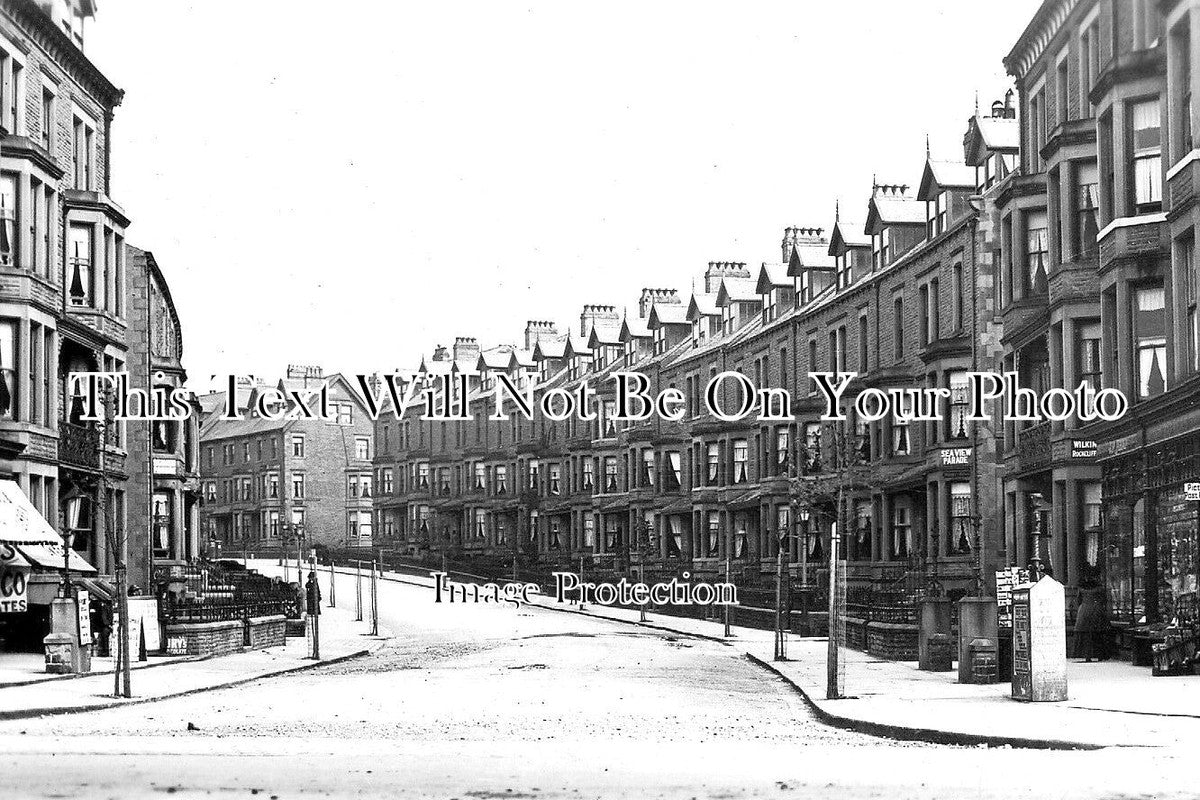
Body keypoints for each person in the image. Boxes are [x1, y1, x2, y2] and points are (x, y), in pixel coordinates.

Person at [1073, 579, 1109, 662]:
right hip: (1096, 610)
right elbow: (1104, 600)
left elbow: (1078, 601)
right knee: (1098, 634)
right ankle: (1100, 655)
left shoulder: (1081, 590)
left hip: (1084, 612)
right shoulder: (1100, 589)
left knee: (1085, 635)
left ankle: (1087, 656)